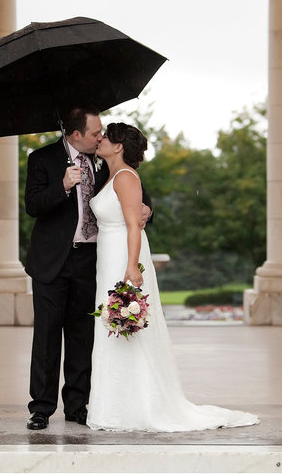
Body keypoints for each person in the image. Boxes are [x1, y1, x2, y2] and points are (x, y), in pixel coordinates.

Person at [86, 122, 259, 431]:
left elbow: (132, 226)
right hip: (107, 256)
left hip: (122, 256)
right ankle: (115, 406)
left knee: (128, 327)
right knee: (111, 328)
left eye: (105, 137)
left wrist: (131, 267)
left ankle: (138, 407)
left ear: (118, 147)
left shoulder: (125, 177)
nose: (99, 140)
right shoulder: (108, 176)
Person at [23, 107, 152, 431]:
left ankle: (77, 406)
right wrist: (62, 186)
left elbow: (138, 193)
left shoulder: (102, 160)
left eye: (102, 134)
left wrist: (148, 209)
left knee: (82, 336)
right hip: (52, 261)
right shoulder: (41, 159)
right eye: (95, 133)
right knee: (47, 336)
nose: (100, 137)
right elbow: (33, 206)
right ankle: (41, 408)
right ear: (75, 134)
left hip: (91, 261)